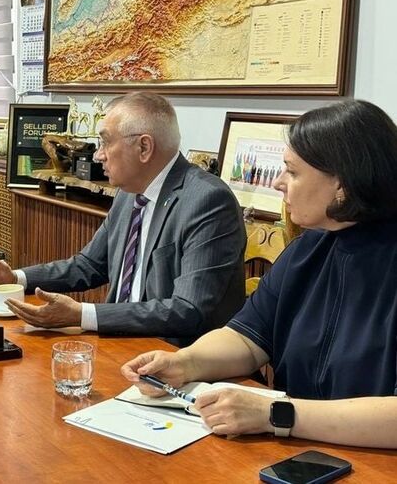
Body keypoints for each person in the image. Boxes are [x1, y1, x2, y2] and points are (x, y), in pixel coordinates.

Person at [121, 100, 397, 449]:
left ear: (342, 183)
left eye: (292, 172)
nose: (278, 183)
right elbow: (247, 339)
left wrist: (276, 414)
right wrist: (183, 363)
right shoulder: (308, 249)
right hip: (301, 450)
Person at [0, 92, 245, 347]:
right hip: (121, 346)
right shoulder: (129, 193)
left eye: (105, 142)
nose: (97, 154)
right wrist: (16, 278)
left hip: (178, 358)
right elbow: (89, 265)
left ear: (144, 147)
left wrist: (83, 315)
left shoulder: (208, 201)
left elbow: (187, 310)